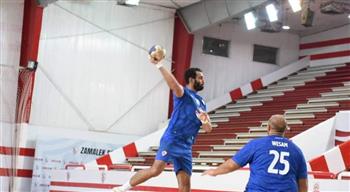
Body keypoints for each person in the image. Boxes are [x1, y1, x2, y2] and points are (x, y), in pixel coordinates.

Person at [113, 47, 212, 192]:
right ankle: (124, 187)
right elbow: (173, 85)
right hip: (172, 139)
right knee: (155, 170)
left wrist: (205, 121)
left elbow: (208, 129)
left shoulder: (202, 102)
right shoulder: (184, 94)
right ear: (191, 79)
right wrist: (159, 64)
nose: (204, 80)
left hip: (186, 147)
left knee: (185, 187)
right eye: (201, 77)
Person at [202, 114, 308, 192]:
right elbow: (303, 183)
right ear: (285, 130)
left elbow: (232, 164)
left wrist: (214, 171)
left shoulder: (256, 145)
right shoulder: (296, 150)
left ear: (268, 128)